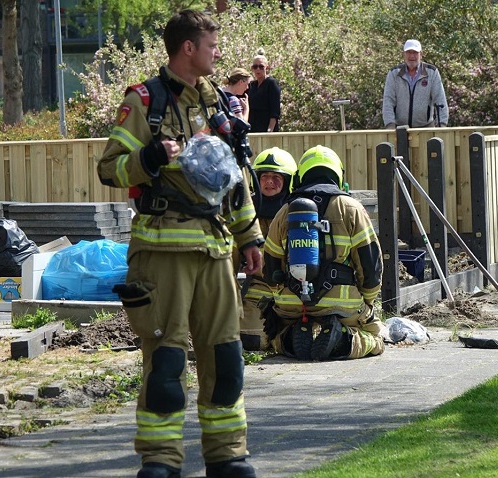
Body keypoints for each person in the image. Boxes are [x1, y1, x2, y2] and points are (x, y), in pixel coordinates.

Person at [96, 10, 262, 478]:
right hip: (161, 251)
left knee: (225, 358)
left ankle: (227, 456)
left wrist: (249, 237)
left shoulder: (219, 105)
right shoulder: (144, 100)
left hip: (215, 251)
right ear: (187, 47)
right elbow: (109, 168)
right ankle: (161, 461)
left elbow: (234, 179)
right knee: (167, 360)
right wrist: (147, 158)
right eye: (211, 45)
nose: (216, 52)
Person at [261, 145, 384, 361]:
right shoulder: (351, 208)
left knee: (275, 336)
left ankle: (289, 338)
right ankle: (343, 342)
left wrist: (282, 296)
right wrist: (368, 301)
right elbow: (370, 265)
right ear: (338, 174)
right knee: (375, 335)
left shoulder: (284, 211)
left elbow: (270, 264)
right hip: (341, 304)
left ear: (300, 176)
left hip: (293, 304)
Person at [239, 147, 297, 351]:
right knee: (251, 342)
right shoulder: (246, 211)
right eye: (264, 177)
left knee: (297, 342)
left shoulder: (298, 211)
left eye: (276, 177)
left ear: (288, 181)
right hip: (260, 287)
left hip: (294, 288)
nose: (270, 182)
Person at [382, 39, 449, 129]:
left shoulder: (432, 72)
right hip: (400, 129)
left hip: (426, 128)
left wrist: (442, 125)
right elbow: (388, 102)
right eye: (408, 52)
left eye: (415, 52)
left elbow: (440, 100)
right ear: (404, 54)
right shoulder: (394, 73)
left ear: (421, 54)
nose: (412, 56)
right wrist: (390, 126)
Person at [247, 49, 281, 133]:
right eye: (255, 67)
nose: (258, 69)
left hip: (266, 128)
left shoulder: (271, 84)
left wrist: (269, 132)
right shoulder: (252, 85)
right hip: (252, 127)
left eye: (261, 67)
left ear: (267, 67)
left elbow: (275, 111)